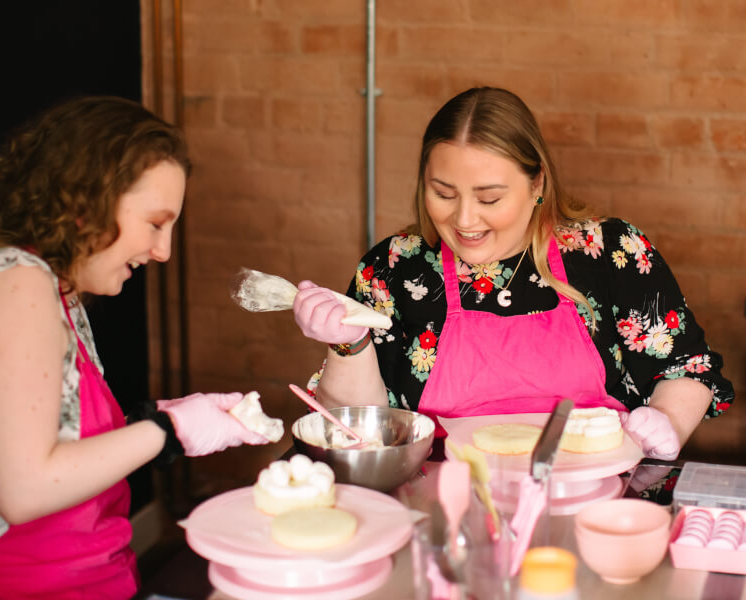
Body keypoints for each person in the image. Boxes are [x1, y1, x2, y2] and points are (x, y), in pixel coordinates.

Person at [293, 86, 734, 462]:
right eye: (443, 193)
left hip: (599, 504)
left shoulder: (609, 254)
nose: (465, 219)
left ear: (537, 183)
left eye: (489, 199)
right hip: (445, 509)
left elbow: (686, 367)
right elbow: (359, 430)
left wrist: (668, 420)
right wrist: (347, 342)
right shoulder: (394, 268)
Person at [0, 96, 272, 599]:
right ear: (88, 198)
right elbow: (24, 486)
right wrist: (167, 431)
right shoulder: (13, 282)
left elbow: (51, 442)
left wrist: (164, 416)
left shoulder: (52, 288)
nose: (162, 251)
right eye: (156, 223)